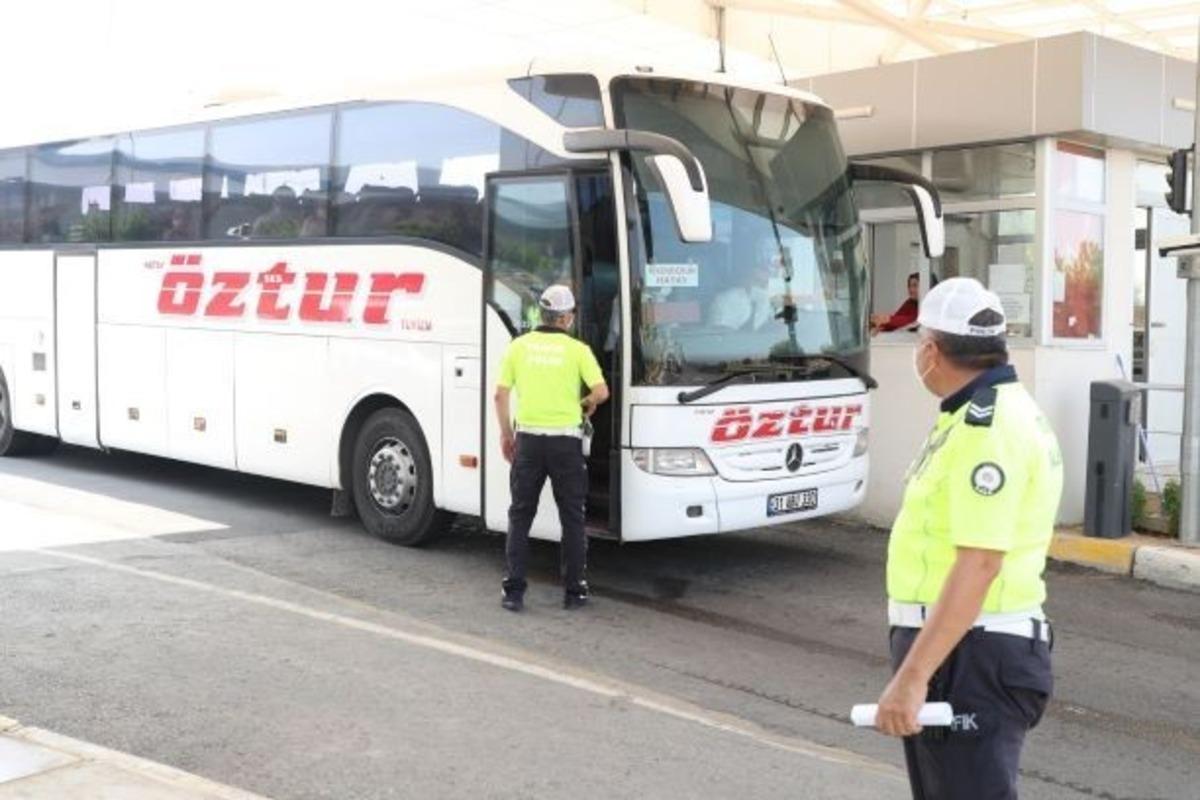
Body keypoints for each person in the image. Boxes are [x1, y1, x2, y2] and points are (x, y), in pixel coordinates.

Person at [873, 277, 1063, 799]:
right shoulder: (978, 414)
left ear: (931, 351)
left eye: (918, 343)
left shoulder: (988, 429)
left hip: (972, 656)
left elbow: (979, 563)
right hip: (964, 649)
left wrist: (913, 677)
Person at [493, 285, 609, 612]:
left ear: (541, 314)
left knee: (520, 515)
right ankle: (575, 592)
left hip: (528, 441)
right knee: (572, 518)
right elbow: (601, 391)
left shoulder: (519, 347)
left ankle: (514, 592)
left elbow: (500, 396)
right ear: (567, 317)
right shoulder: (578, 350)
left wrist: (506, 435)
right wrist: (585, 402)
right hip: (566, 444)